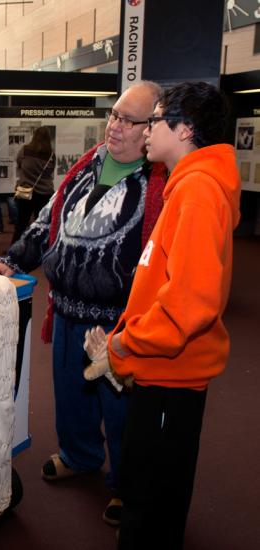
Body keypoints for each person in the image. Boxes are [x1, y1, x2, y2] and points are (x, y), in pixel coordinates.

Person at [0, 81, 167, 525]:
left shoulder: (162, 180)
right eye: (114, 115)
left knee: (123, 410)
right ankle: (80, 455)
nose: (116, 126)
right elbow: (48, 219)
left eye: (129, 120)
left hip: (119, 322)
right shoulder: (88, 164)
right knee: (71, 396)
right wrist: (13, 259)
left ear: (152, 128)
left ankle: (127, 485)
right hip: (67, 308)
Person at [108, 82, 241, 550]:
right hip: (162, 366)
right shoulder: (189, 186)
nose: (145, 131)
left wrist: (127, 342)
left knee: (152, 500)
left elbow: (192, 302)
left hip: (171, 372)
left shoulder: (199, 191)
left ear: (184, 130)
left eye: (157, 118)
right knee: (150, 487)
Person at [11, 126, 56, 243]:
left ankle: (14, 249)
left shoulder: (25, 150)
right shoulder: (51, 155)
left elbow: (19, 164)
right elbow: (50, 172)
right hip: (45, 194)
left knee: (21, 224)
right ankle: (37, 251)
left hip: (25, 193)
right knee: (41, 224)